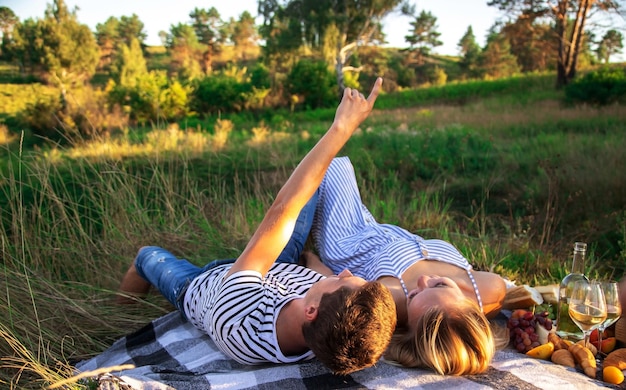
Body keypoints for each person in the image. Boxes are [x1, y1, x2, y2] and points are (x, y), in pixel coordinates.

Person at [116, 78, 397, 375]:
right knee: (319, 177)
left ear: (311, 311)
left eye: (345, 280)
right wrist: (311, 264)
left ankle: (117, 322)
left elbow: (284, 208)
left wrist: (343, 127)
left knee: (146, 257)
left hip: (202, 285)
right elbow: (329, 282)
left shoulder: (239, 319)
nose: (346, 272)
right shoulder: (334, 334)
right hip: (279, 268)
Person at [305, 156, 507, 375]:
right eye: (439, 285)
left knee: (333, 165)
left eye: (413, 295)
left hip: (349, 240)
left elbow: (332, 287)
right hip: (376, 229)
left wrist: (306, 257)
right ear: (471, 308)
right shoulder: (490, 288)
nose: (423, 280)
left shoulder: (388, 301)